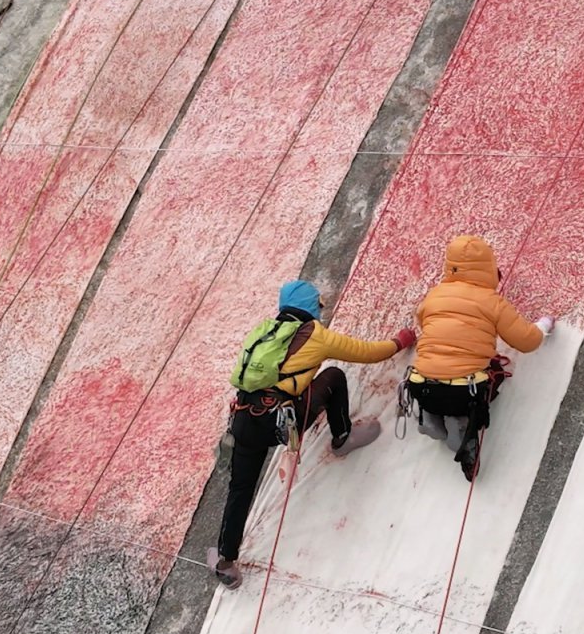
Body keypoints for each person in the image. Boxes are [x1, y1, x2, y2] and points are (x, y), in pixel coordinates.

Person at [207, 280, 416, 589]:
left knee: (241, 488)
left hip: (243, 419)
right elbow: (368, 353)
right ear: (310, 306)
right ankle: (343, 437)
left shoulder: (263, 331)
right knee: (333, 377)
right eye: (319, 304)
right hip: (282, 421)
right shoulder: (316, 336)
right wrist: (400, 341)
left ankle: (225, 563)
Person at [404, 235, 552, 481]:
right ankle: (462, 428)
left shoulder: (434, 295)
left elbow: (421, 319)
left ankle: (431, 415)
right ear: (488, 267)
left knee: (433, 379)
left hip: (420, 385)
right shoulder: (493, 302)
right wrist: (543, 325)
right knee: (493, 376)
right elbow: (526, 341)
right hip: (463, 392)